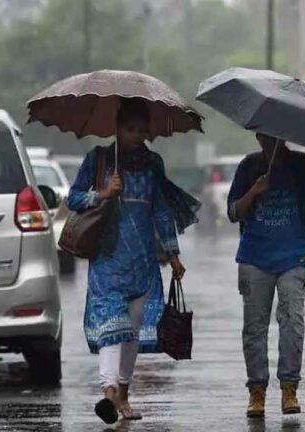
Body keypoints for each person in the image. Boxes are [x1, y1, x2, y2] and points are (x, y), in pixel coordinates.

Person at [67, 98, 200, 424]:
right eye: (130, 129)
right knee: (113, 326)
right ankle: (109, 391)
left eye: (143, 130)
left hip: (142, 261)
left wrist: (173, 253)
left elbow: (161, 210)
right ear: (117, 128)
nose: (137, 135)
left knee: (133, 333)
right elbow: (72, 198)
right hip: (108, 259)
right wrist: (101, 194)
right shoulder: (98, 159)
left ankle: (123, 393)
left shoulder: (154, 164)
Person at [227, 133, 305, 418]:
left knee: (292, 322)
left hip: (294, 258)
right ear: (257, 135)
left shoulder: (302, 165)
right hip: (254, 259)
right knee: (254, 327)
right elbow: (233, 211)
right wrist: (254, 192)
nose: (269, 140)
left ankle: (289, 388)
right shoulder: (248, 166)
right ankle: (256, 391)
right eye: (264, 134)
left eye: (276, 135)